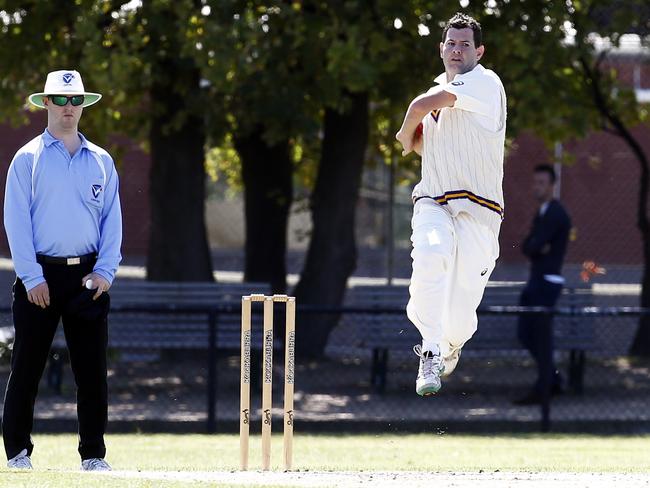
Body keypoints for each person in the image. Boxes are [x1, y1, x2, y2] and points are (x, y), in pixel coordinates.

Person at [2, 70, 122, 470]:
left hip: (87, 278)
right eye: (61, 99)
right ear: (46, 103)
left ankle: (93, 456)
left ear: (83, 105)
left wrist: (105, 272)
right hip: (40, 276)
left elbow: (112, 221)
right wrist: (32, 276)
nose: (69, 107)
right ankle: (17, 453)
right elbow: (16, 221)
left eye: (76, 101)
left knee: (91, 373)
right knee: (27, 368)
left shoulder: (102, 161)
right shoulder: (27, 159)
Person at [395, 12, 507, 396]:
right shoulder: (436, 92)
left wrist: (405, 129)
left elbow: (418, 109)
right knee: (429, 255)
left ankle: (448, 346)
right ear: (440, 48)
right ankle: (429, 351)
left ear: (479, 50)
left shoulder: (486, 83)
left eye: (464, 44)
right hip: (434, 200)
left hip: (480, 211)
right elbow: (429, 145)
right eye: (450, 43)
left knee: (459, 317)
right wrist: (417, 137)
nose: (456, 50)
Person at [514, 164, 571, 405]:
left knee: (540, 336)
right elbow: (529, 246)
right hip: (536, 280)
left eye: (542, 183)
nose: (537, 187)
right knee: (526, 335)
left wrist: (536, 246)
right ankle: (552, 380)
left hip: (547, 283)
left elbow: (534, 246)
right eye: (535, 182)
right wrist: (535, 246)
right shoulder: (542, 213)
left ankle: (544, 388)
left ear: (552, 185)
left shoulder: (556, 214)